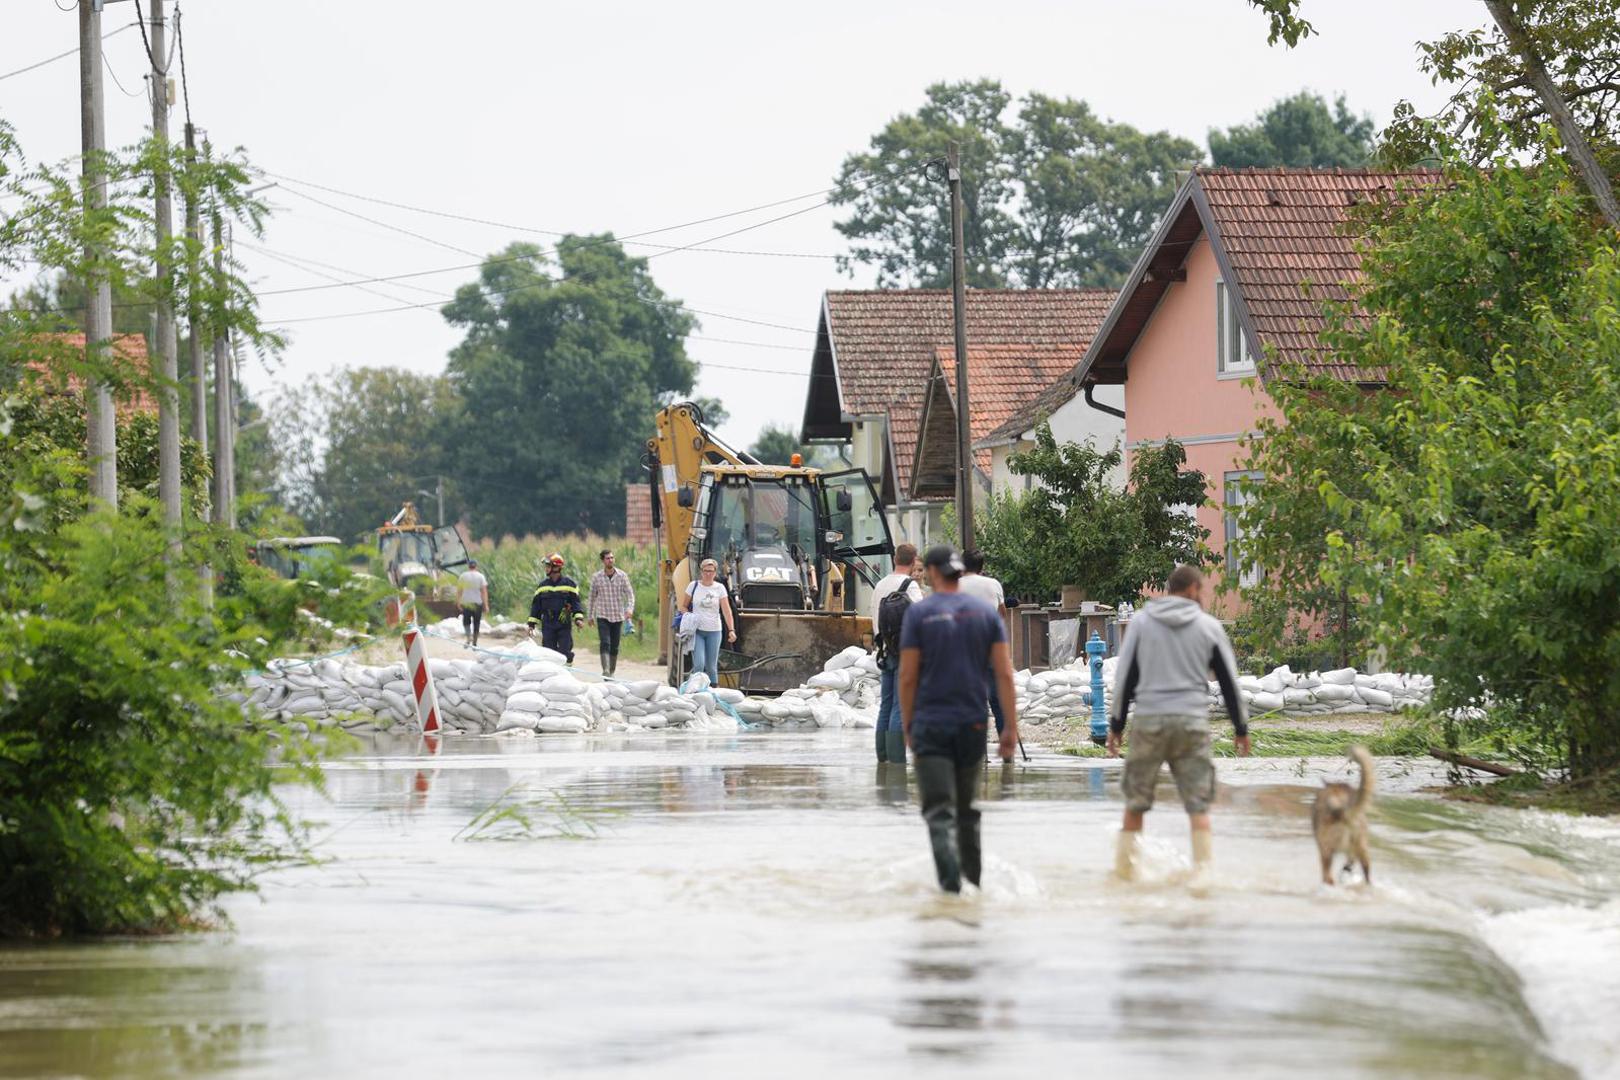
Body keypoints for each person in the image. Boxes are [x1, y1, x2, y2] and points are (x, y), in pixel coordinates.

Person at [1106, 564, 1251, 889]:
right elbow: (1229, 681)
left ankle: (1124, 877)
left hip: (1150, 721)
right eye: (1203, 591)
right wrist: (1241, 727)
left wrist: (1116, 725)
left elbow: (1126, 676)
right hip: (1191, 723)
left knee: (1136, 802)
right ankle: (1203, 878)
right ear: (1192, 590)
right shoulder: (1208, 626)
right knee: (1198, 804)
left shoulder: (1142, 622)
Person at [899, 545, 1019, 894]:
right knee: (967, 809)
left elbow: (907, 677)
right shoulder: (985, 614)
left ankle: (951, 889)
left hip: (931, 723)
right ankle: (975, 885)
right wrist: (1010, 727)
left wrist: (908, 725)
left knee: (939, 811)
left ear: (934, 573)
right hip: (973, 724)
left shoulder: (919, 615)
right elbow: (1004, 674)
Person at [870, 543, 924, 765]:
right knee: (900, 706)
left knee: (886, 703)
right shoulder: (910, 586)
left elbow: (874, 618)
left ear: (894, 559)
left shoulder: (880, 584)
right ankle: (897, 760)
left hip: (884, 650)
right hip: (906, 651)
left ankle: (882, 756)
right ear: (913, 563)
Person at [957, 549, 1011, 758]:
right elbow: (1001, 614)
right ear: (981, 566)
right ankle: (1007, 750)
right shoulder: (993, 584)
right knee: (997, 700)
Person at [679, 557, 735, 687]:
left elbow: (727, 611)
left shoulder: (719, 588)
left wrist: (731, 630)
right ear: (701, 572)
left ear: (715, 572)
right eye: (705, 571)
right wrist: (688, 616)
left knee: (711, 666)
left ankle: (713, 692)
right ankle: (695, 690)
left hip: (714, 631)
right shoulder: (693, 586)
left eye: (711, 571)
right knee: (699, 664)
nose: (708, 574)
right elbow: (683, 606)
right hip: (697, 630)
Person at [527, 553, 585, 663]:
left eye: (548, 566)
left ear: (557, 567)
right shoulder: (542, 586)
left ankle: (567, 672)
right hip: (548, 623)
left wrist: (578, 618)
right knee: (549, 651)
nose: (546, 569)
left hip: (564, 622)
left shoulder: (569, 584)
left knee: (565, 650)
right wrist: (531, 625)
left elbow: (576, 602)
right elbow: (536, 606)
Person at [588, 549, 635, 677]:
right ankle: (606, 670)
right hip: (603, 615)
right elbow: (592, 597)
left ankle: (612, 671)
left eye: (612, 558)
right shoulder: (596, 577)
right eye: (608, 558)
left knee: (615, 645)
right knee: (605, 642)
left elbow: (630, 595)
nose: (611, 560)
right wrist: (590, 615)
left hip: (618, 616)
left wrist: (630, 609)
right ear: (603, 561)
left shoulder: (622, 576)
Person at [456, 558, 490, 647]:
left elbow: (460, 590)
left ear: (468, 566)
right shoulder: (480, 576)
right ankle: (475, 641)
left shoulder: (463, 576)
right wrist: (486, 605)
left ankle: (468, 638)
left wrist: (458, 602)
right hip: (477, 603)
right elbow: (484, 592)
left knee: (466, 621)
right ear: (476, 566)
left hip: (466, 603)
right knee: (476, 622)